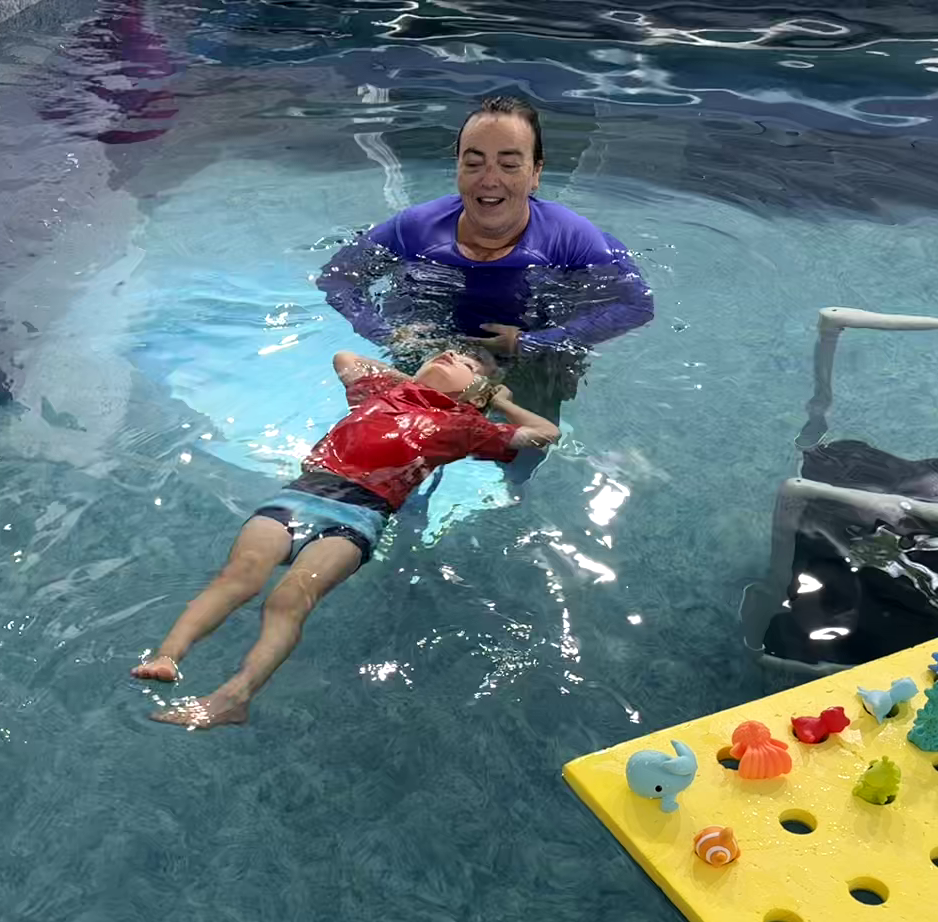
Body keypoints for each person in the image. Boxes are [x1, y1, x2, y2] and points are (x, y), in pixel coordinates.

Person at [131, 347, 558, 728]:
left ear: (477, 393)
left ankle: (234, 697)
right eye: (444, 354)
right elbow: (344, 358)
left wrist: (496, 402)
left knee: (289, 600)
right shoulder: (380, 393)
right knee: (240, 574)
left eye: (465, 364)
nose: (449, 357)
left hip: (360, 513)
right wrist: (421, 383)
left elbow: (545, 433)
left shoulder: (467, 425)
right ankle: (168, 655)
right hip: (305, 491)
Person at [316, 95, 653, 421]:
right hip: (433, 354)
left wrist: (532, 343)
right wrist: (388, 333)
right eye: (474, 163)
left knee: (528, 441)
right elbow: (337, 279)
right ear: (457, 167)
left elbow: (635, 305)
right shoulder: (415, 230)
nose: (489, 180)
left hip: (534, 357)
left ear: (535, 173)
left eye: (508, 165)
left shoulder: (571, 240)